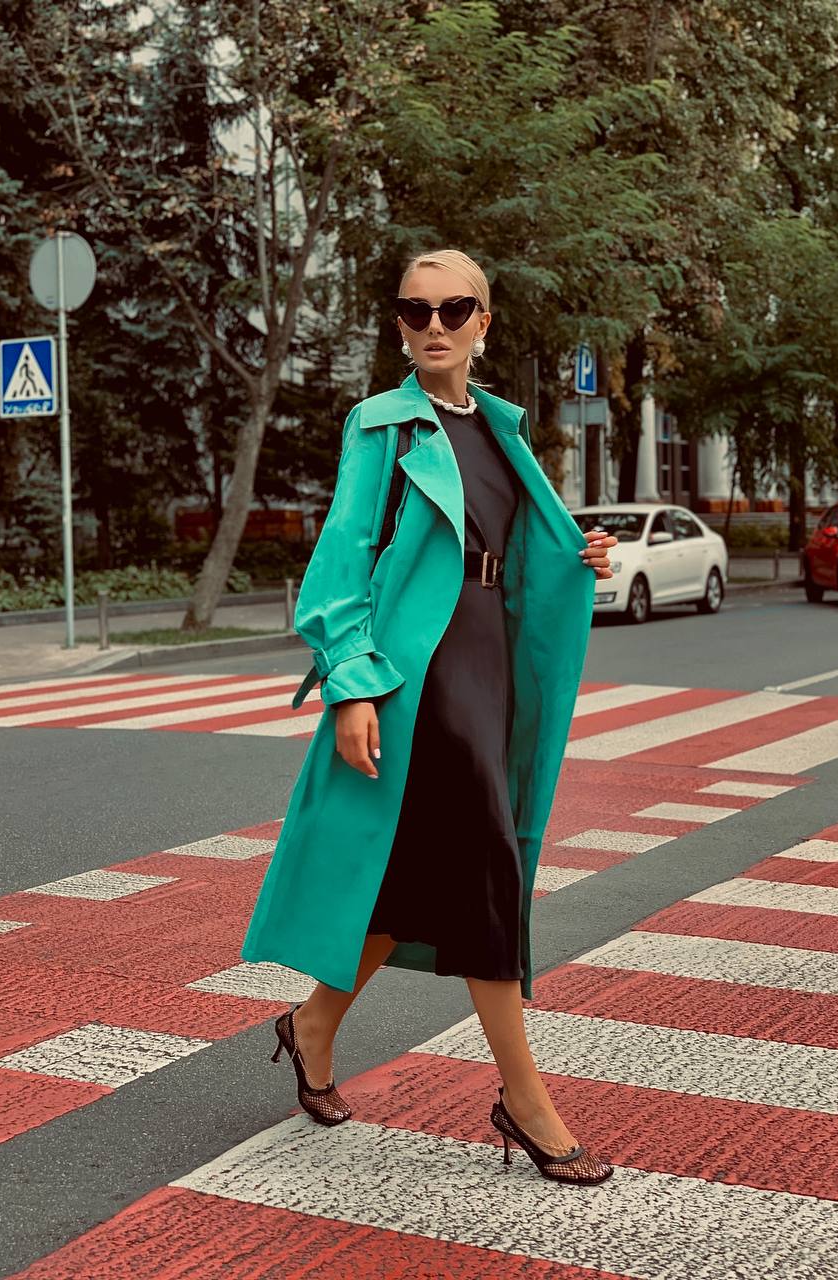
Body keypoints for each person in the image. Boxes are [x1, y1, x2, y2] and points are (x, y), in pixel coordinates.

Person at [242, 249, 619, 1186]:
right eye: (416, 311)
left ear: (484, 322)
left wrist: (581, 556)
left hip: (489, 664)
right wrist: (355, 685)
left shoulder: (499, 430)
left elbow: (510, 549)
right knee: (491, 861)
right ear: (399, 327)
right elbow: (341, 565)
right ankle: (525, 1099)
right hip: (424, 673)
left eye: (454, 308)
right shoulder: (383, 426)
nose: (434, 325)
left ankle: (315, 1023)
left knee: (411, 875)